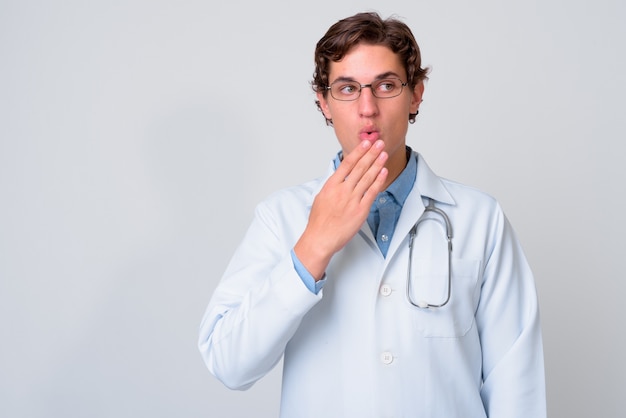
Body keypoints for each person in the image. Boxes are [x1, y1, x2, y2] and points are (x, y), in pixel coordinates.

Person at [199, 11, 546, 417]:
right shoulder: (281, 218)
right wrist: (313, 247)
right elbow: (228, 364)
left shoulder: (480, 219)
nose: (368, 108)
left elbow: (516, 386)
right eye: (347, 88)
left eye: (385, 85)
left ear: (415, 94)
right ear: (324, 103)